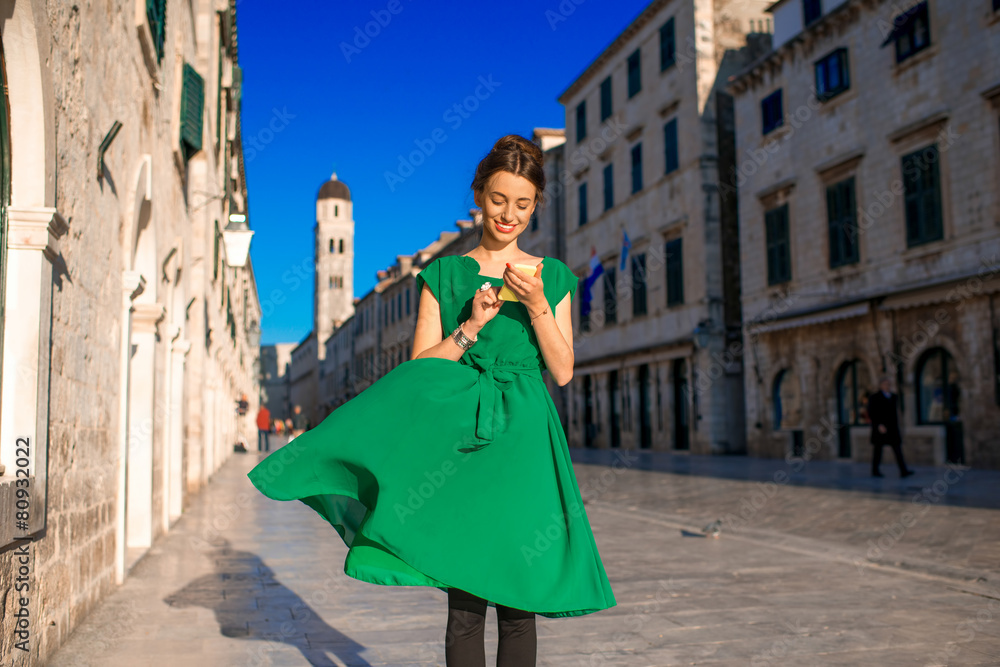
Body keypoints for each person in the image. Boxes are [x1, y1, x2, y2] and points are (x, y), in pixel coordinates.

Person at [247, 135, 616, 665]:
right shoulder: (443, 276)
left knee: (519, 602)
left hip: (527, 444)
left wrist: (536, 304)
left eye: (522, 203)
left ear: (535, 205)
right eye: (497, 199)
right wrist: (470, 326)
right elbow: (421, 370)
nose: (508, 214)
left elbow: (562, 370)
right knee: (464, 602)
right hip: (461, 443)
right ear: (478, 195)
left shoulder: (552, 276)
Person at [868, 376, 914, 478]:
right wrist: (878, 425)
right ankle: (875, 470)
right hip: (880, 428)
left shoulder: (894, 397)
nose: (887, 386)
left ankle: (903, 470)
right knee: (878, 451)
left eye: (889, 384)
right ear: (881, 385)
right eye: (885, 384)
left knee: (897, 449)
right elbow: (871, 412)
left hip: (892, 428)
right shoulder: (875, 397)